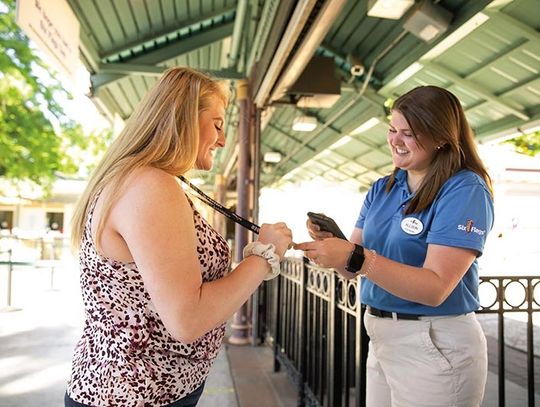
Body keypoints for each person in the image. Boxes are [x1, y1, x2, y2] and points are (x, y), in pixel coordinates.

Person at [65, 67, 292, 407]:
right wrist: (264, 256)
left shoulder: (137, 180)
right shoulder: (150, 186)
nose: (222, 140)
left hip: (141, 391)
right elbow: (189, 318)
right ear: (183, 119)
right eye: (217, 125)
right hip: (135, 395)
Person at [295, 86, 493, 407]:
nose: (395, 140)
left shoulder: (464, 189)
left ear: (441, 137)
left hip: (434, 342)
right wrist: (334, 246)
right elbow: (350, 268)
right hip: (381, 337)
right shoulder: (383, 187)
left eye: (408, 133)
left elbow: (435, 288)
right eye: (392, 129)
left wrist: (356, 257)